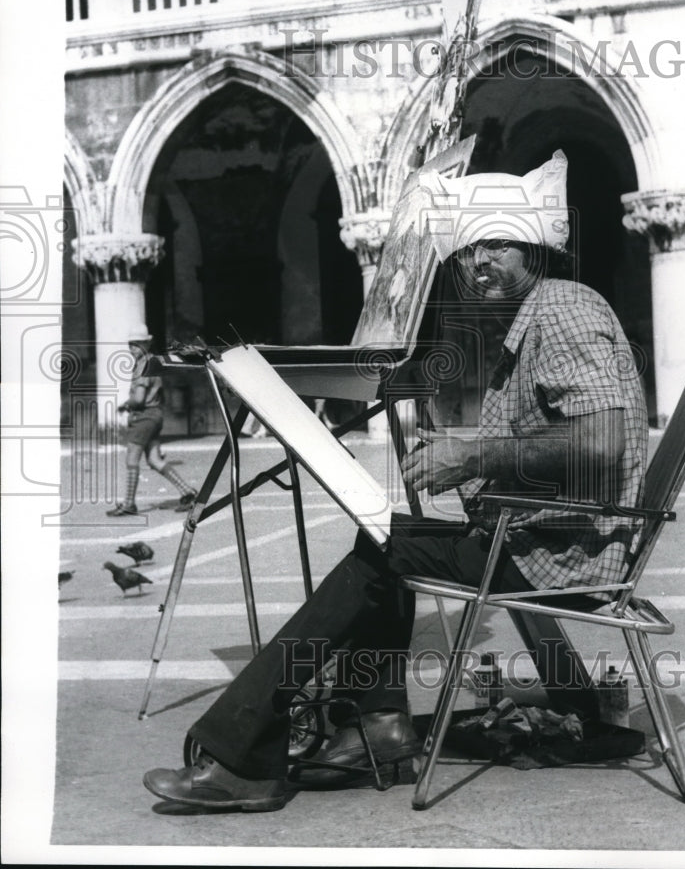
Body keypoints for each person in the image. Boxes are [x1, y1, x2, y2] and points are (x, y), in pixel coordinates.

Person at [143, 151, 648, 812]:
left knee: (376, 557)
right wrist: (477, 462)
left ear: (536, 248)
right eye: (469, 251)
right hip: (547, 541)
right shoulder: (546, 311)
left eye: (498, 244)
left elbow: (601, 445)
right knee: (381, 541)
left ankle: (244, 754)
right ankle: (373, 730)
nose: (480, 264)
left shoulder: (559, 310)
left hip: (560, 557)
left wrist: (472, 459)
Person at [107, 324, 198, 517]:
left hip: (144, 417)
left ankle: (129, 504)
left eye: (136, 345)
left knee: (132, 458)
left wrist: (126, 404)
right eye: (131, 344)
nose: (132, 348)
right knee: (155, 460)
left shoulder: (143, 366)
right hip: (154, 415)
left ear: (145, 345)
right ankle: (188, 493)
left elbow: (139, 398)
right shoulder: (152, 362)